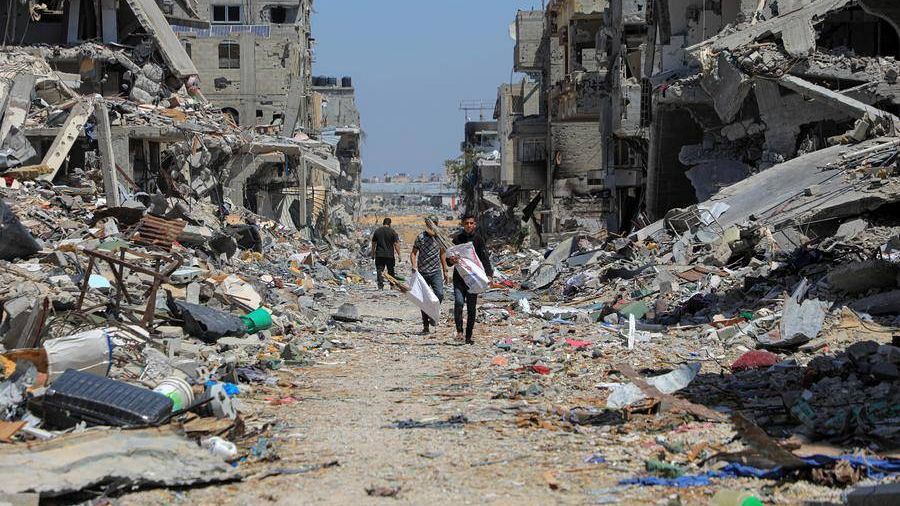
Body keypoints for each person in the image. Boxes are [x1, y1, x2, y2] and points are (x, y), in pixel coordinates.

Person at [447, 214, 493, 344]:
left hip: (474, 280)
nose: (469, 225)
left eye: (471, 223)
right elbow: (448, 260)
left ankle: (468, 336)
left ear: (475, 225)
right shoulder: (456, 239)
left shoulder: (478, 240)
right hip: (459, 278)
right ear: (463, 224)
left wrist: (489, 274)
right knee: (459, 303)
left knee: (472, 309)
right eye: (466, 223)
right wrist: (451, 260)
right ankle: (460, 331)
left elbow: (484, 258)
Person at [410, 216, 448, 335]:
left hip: (436, 271)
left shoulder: (439, 238)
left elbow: (442, 254)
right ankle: (425, 326)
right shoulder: (421, 237)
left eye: (435, 223)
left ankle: (433, 315)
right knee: (424, 300)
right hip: (422, 272)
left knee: (440, 294)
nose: (433, 226)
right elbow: (413, 253)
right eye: (431, 224)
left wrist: (445, 270)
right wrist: (414, 266)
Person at [371, 218, 401, 290]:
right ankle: (392, 285)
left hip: (379, 254)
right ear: (390, 224)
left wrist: (372, 253)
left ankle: (380, 286)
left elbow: (373, 243)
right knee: (391, 270)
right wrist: (399, 254)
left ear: (383, 223)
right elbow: (396, 244)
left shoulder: (377, 231)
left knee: (379, 270)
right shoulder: (393, 232)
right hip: (389, 255)